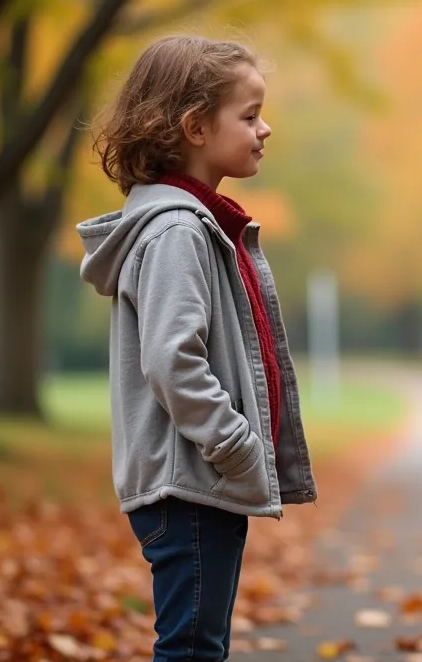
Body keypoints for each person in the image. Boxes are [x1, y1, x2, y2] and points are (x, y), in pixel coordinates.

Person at [77, 36, 316, 661]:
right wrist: (236, 445)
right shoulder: (178, 231)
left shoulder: (200, 223)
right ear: (195, 127)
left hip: (198, 479)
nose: (266, 128)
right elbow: (172, 359)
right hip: (190, 482)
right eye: (249, 114)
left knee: (198, 644)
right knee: (190, 649)